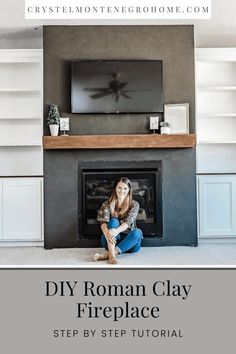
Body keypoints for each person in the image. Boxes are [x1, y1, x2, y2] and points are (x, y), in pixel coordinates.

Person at [94, 177, 143, 264]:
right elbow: (103, 223)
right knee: (113, 221)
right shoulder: (107, 204)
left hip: (130, 242)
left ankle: (109, 254)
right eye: (119, 188)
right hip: (110, 240)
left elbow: (127, 223)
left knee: (138, 232)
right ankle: (112, 255)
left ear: (129, 190)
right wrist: (107, 234)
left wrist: (116, 231)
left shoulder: (134, 204)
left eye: (125, 188)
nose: (122, 191)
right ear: (115, 188)